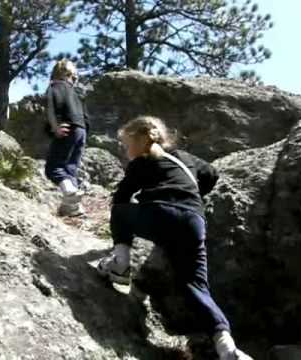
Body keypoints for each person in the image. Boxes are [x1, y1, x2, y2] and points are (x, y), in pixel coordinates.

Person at [97, 116, 253, 360]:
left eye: (127, 144)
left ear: (139, 141)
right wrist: (191, 193)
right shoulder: (185, 157)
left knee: (120, 212)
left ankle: (120, 265)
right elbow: (212, 174)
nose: (127, 150)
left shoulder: (141, 163)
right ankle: (228, 347)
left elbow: (121, 198)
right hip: (194, 222)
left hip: (162, 213)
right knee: (195, 286)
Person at [44, 59, 89, 217]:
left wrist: (54, 127)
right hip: (81, 130)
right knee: (70, 169)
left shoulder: (54, 86)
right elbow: (85, 115)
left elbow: (50, 107)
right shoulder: (75, 93)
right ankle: (73, 208)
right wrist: (84, 133)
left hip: (67, 128)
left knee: (53, 168)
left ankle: (69, 192)